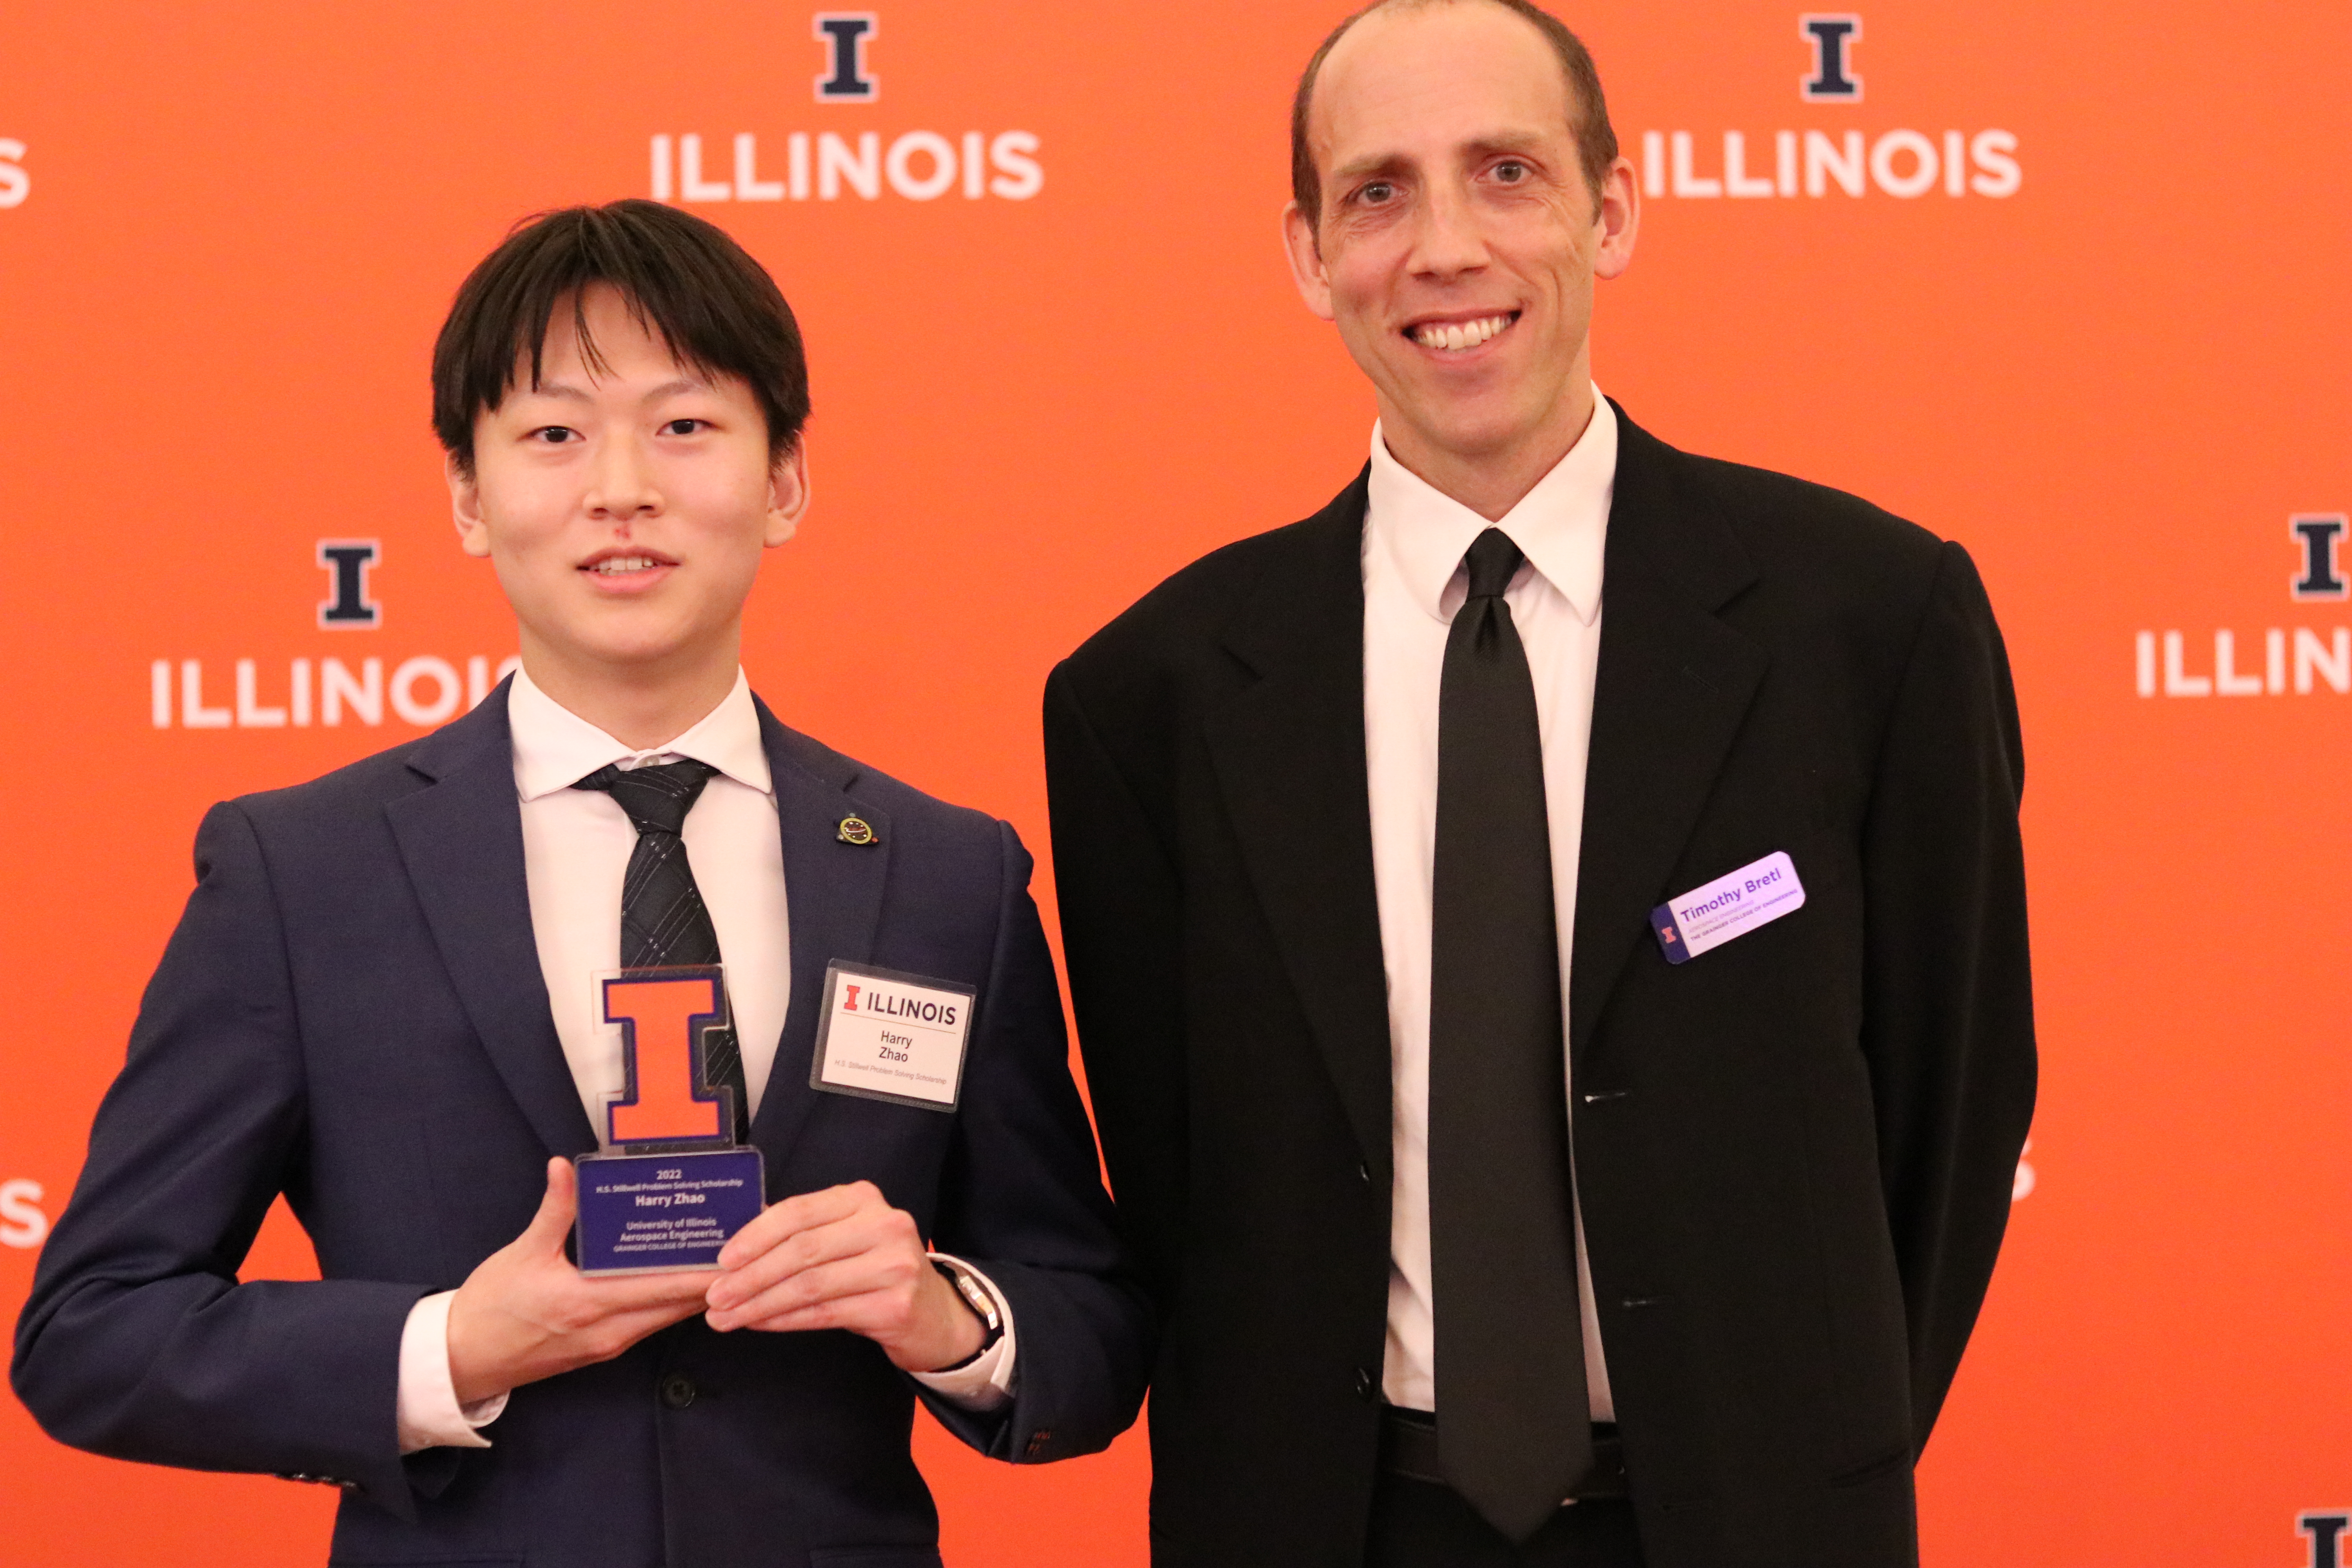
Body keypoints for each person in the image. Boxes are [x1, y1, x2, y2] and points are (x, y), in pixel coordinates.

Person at [14, 200, 1150, 1568]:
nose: (623, 486)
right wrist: (452, 1347)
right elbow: (93, 1329)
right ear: (469, 496)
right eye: (553, 434)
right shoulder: (302, 873)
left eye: (685, 425)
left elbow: (1085, 1327)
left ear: (785, 481)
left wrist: (944, 1314)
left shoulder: (943, 875)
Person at [1042, 3, 2035, 1565]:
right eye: (1376, 192)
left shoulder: (1873, 622)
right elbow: (1183, 1199)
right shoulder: (1148, 700)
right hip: (1331, 1524)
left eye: (1507, 171)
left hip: (1758, 1521)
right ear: (1307, 255)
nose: (1443, 247)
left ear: (1612, 211)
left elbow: (1951, 1108)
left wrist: (1801, 1444)